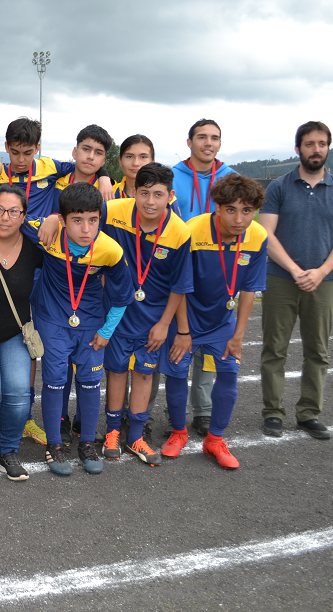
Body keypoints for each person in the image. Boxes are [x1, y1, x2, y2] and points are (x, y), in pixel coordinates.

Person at [24, 183, 133, 476]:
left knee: (89, 381)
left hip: (91, 324)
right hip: (52, 320)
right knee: (56, 380)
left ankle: (87, 443)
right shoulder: (48, 234)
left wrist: (107, 331)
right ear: (63, 219)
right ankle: (55, 444)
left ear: (101, 218)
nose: (86, 228)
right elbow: (10, 216)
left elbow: (123, 295)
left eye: (93, 220)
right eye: (77, 220)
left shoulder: (110, 250)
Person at [160, 174, 268, 468]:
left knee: (229, 373)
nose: (239, 219)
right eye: (231, 209)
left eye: (247, 210)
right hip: (188, 318)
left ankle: (215, 439)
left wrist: (239, 334)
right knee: (177, 373)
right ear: (216, 207)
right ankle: (179, 433)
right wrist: (183, 331)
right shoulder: (192, 231)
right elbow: (179, 285)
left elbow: (249, 290)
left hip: (223, 322)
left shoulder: (257, 236)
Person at [259, 122, 333, 441]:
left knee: (318, 351)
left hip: (324, 282)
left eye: (322, 144)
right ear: (298, 148)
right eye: (310, 144)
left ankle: (308, 413)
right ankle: (273, 412)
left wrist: (320, 272)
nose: (316, 149)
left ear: (328, 148)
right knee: (275, 349)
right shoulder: (279, 187)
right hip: (281, 279)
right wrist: (295, 269)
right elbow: (265, 234)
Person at [100, 164, 192, 466]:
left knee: (144, 373)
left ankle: (136, 436)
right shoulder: (112, 211)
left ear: (171, 196)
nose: (150, 202)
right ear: (133, 191)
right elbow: (79, 218)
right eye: (144, 193)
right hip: (116, 314)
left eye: (158, 194)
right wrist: (51, 218)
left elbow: (179, 285)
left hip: (152, 320)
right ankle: (112, 431)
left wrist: (166, 324)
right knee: (115, 372)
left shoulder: (179, 231)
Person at [0, 185, 42, 481]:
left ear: (24, 216)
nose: (5, 217)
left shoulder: (33, 247)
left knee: (18, 392)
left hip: (16, 332)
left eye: (14, 211)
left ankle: (9, 450)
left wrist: (49, 222)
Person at [171, 119, 235, 438]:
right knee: (178, 347)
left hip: (218, 273)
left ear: (220, 144)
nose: (208, 143)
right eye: (201, 137)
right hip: (181, 270)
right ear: (189, 141)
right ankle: (175, 414)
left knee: (211, 352)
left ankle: (204, 411)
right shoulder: (174, 175)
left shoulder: (231, 177)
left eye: (214, 138)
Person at [0, 117, 113, 220]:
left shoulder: (50, 167)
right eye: (15, 153)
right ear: (6, 147)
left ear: (37, 148)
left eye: (28, 153)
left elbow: (83, 166)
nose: (21, 160)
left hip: (39, 239)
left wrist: (104, 176)